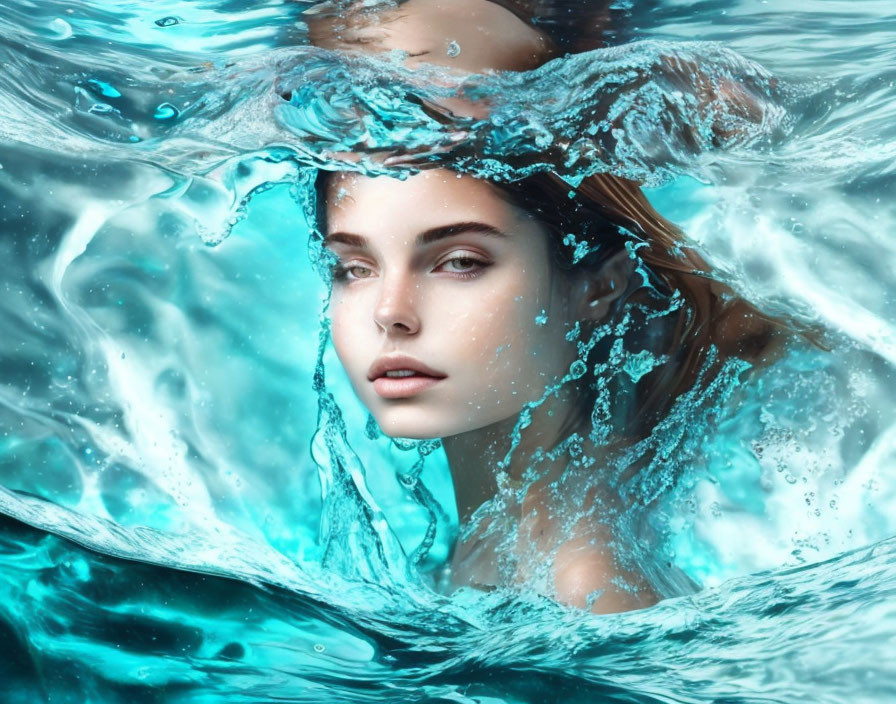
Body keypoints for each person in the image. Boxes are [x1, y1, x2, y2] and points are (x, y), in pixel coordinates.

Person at [305, 0, 789, 613]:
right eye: (354, 268)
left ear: (599, 286)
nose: (390, 312)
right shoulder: (498, 563)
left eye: (460, 262)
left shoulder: (592, 598)